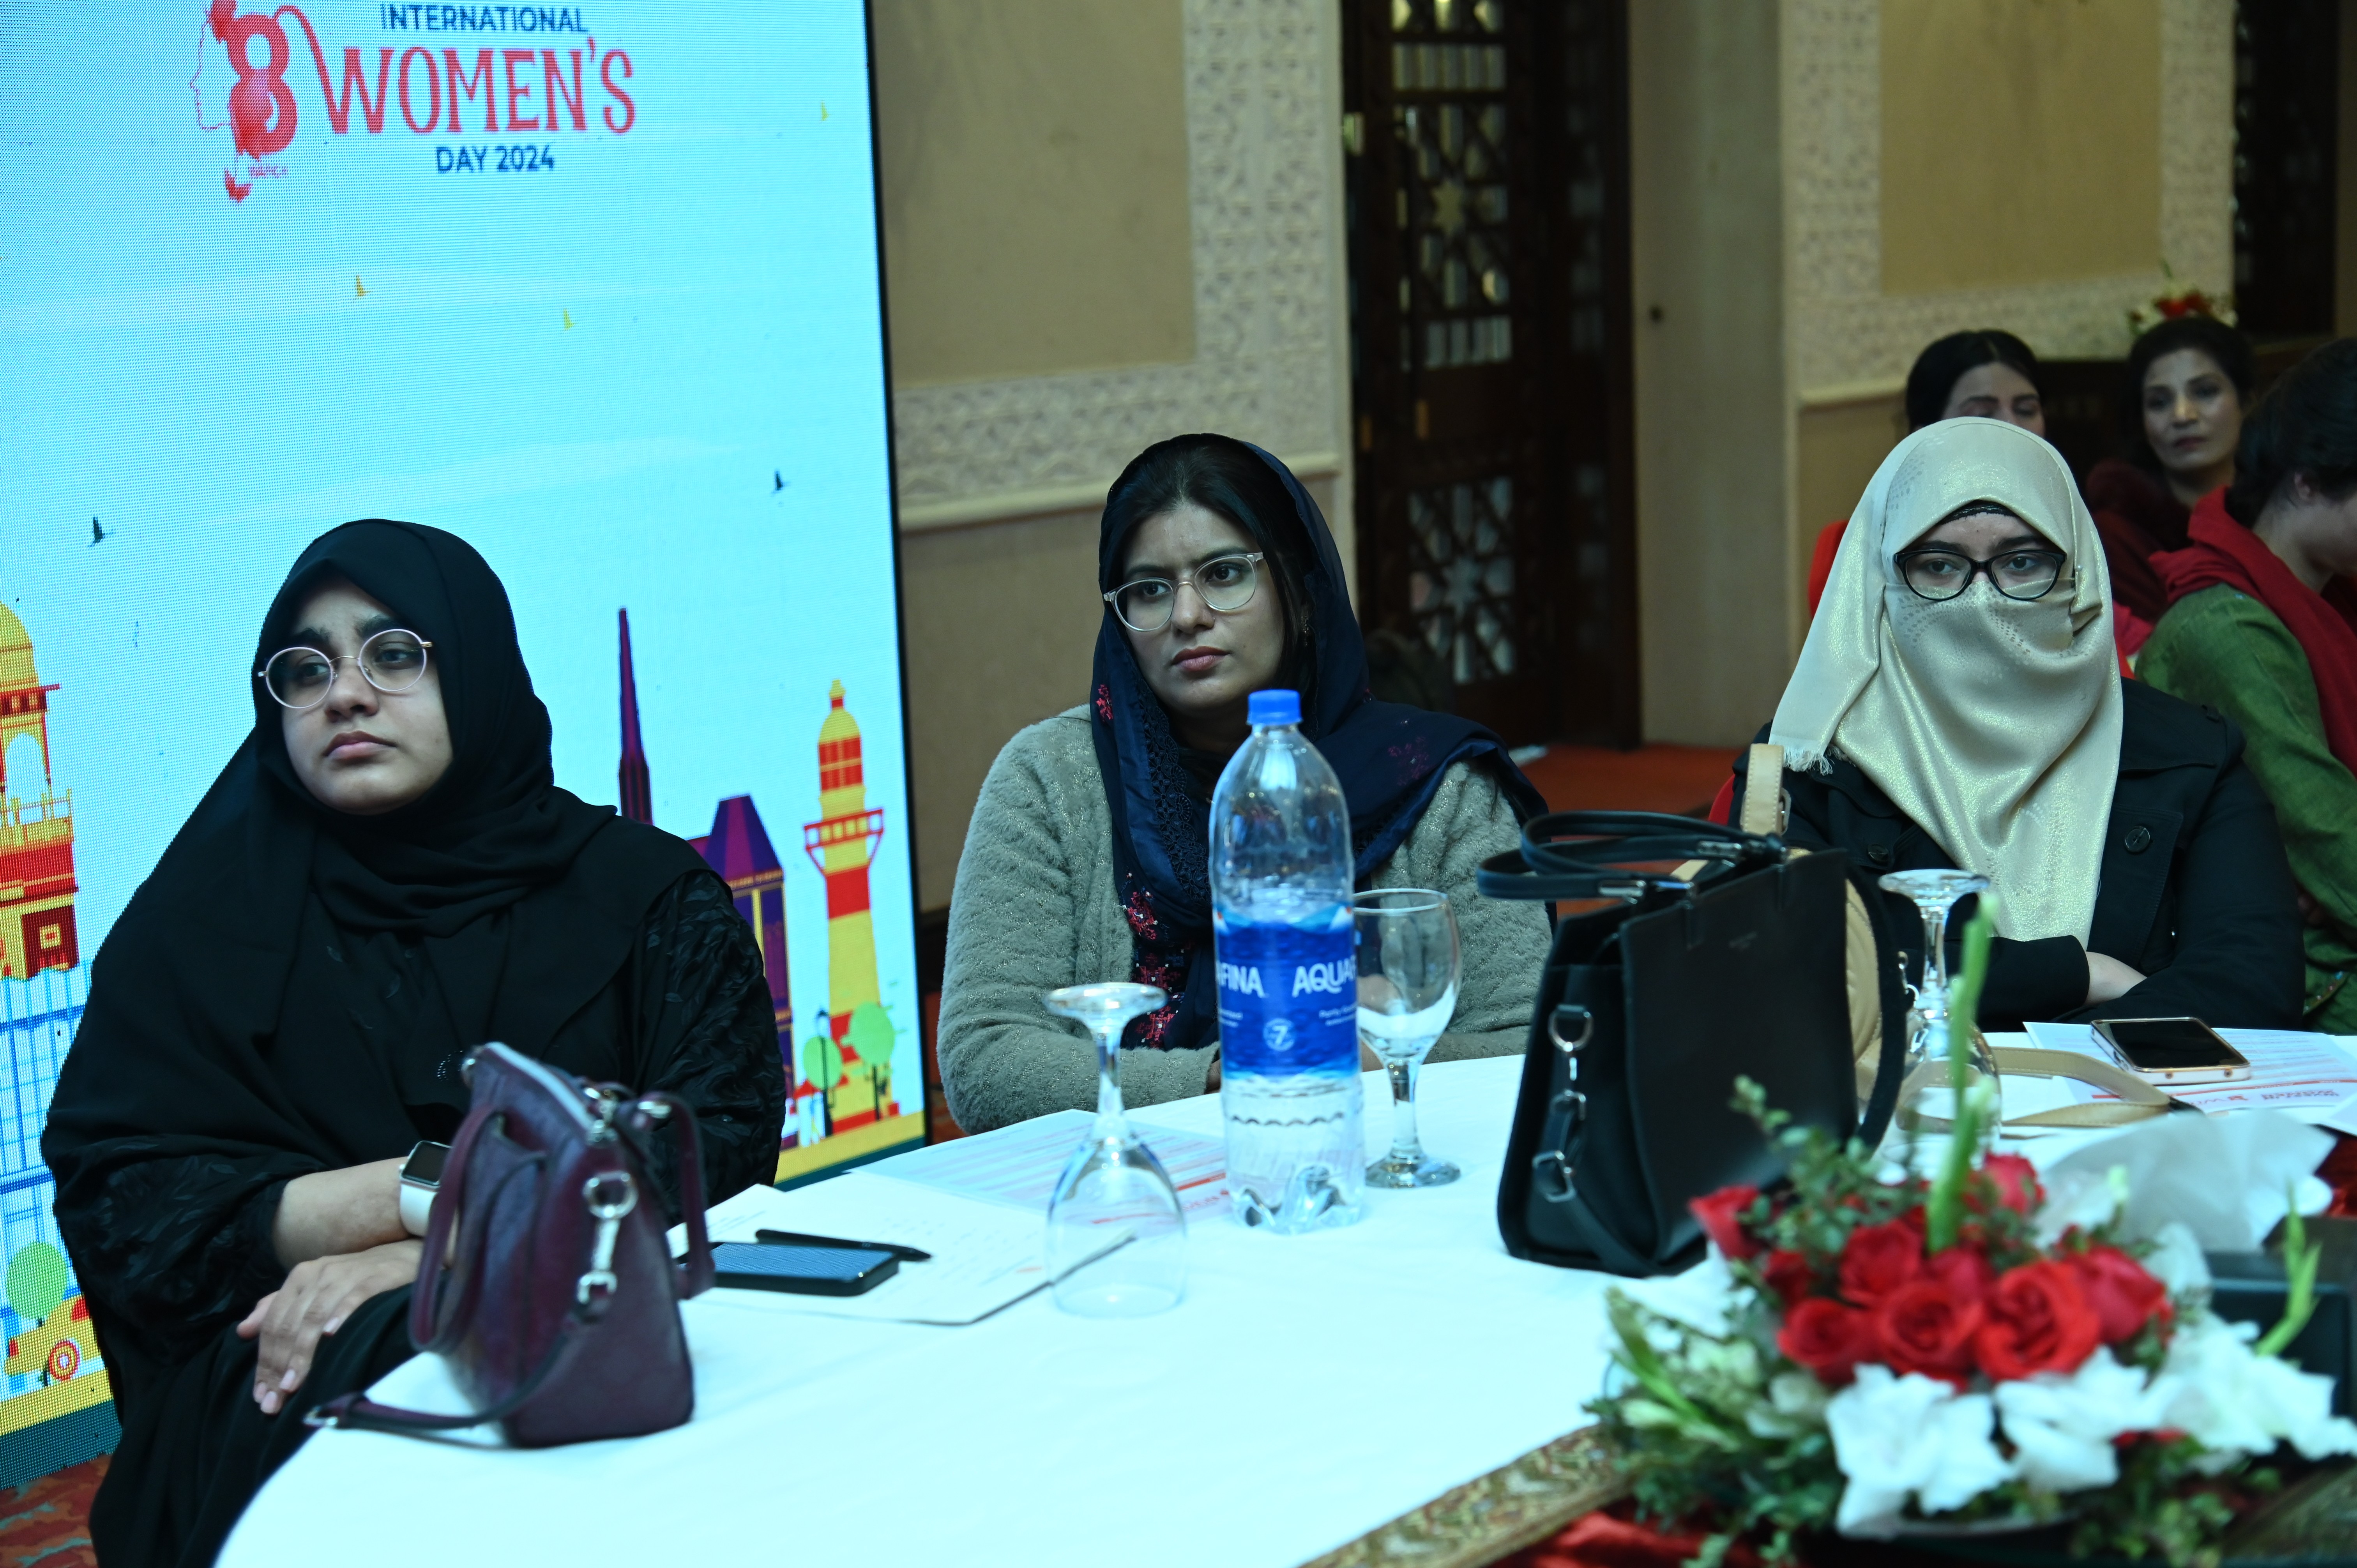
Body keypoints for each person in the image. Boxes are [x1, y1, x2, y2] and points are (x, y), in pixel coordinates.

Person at [44, 521, 786, 1568]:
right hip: (291, 1372)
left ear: (476, 668)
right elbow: (143, 1223)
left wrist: (436, 1259)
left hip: (614, 1328)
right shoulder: (193, 933)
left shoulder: (648, 899)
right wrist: (420, 1194)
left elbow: (721, 1146)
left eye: (395, 654)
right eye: (306, 670)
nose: (345, 693)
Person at [938, 435, 1549, 1132]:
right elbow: (983, 1060)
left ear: (1299, 588)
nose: (1187, 615)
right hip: (1129, 1196)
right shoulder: (1049, 779)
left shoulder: (1439, 783)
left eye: (1224, 573)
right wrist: (1232, 1075)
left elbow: (1526, 1044)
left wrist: (1356, 1060)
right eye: (1148, 590)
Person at [1738, 418, 2301, 1031]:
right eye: (1938, 565)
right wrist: (2080, 974)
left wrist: (2070, 1069)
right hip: (1905, 1115)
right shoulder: (1810, 763)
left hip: (2128, 1111)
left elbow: (2254, 981)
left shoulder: (2190, 754)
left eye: (2023, 562)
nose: (1984, 601)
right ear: (1881, 583)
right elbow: (1804, 969)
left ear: (2077, 578)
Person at [2141, 339, 2357, 1031]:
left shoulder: (2324, 598)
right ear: (2306, 480)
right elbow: (2337, 848)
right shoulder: (2227, 629)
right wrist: (2323, 878)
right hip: (2300, 976)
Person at [1807, 330, 2048, 611]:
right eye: (1983, 414)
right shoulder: (1861, 553)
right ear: (1925, 435)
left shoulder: (2071, 527)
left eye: (2026, 410)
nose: (2012, 427)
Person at [2085, 315, 2255, 649]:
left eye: (2205, 392)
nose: (2182, 416)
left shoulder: (2280, 505)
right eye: (2159, 402)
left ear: (2247, 401)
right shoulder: (2119, 532)